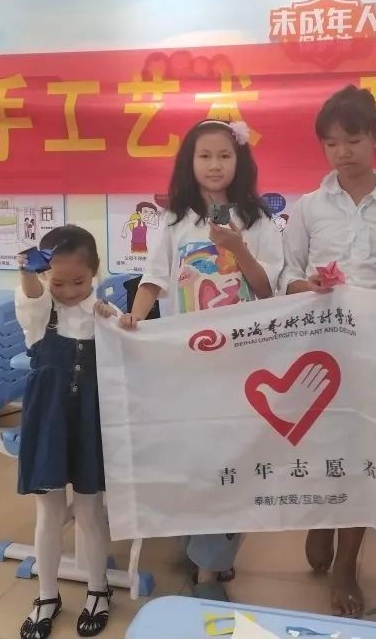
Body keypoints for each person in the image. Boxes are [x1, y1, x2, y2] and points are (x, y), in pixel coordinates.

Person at [280, 85, 376, 618]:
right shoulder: (308, 208)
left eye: (353, 139)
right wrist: (308, 287)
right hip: (318, 349)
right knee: (320, 442)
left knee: (363, 451)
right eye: (331, 143)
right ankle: (322, 516)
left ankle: (347, 565)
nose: (342, 152)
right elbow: (286, 274)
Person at [120, 118, 283, 600]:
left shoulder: (259, 221)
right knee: (194, 456)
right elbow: (154, 280)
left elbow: (267, 289)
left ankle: (210, 568)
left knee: (232, 458)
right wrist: (133, 320)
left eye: (224, 155)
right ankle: (201, 547)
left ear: (240, 161)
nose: (215, 165)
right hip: (186, 363)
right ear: (189, 163)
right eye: (204, 156)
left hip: (241, 363)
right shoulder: (175, 221)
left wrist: (238, 248)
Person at [16, 225, 120, 639]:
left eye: (79, 281)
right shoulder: (42, 311)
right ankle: (47, 594)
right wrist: (28, 271)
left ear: (95, 272)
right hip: (48, 419)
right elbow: (32, 297)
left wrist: (115, 321)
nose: (69, 291)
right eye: (58, 282)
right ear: (45, 276)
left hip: (90, 419)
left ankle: (98, 588)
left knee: (91, 510)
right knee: (49, 511)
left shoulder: (103, 312)